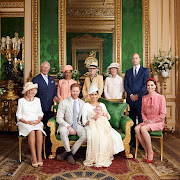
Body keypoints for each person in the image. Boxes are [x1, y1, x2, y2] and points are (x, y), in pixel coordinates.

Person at [82, 83, 124, 167]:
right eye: (92, 95)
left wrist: (104, 116)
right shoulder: (86, 105)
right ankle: (95, 157)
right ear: (89, 95)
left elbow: (108, 117)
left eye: (95, 94)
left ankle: (106, 155)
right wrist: (94, 120)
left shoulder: (102, 105)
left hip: (103, 124)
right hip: (91, 125)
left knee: (112, 134)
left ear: (98, 95)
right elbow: (84, 121)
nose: (94, 96)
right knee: (96, 135)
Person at [135, 77, 166, 163]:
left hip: (158, 122)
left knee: (143, 128)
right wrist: (145, 120)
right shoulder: (144, 98)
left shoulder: (161, 97)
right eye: (148, 85)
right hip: (147, 122)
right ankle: (146, 151)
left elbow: (163, 114)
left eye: (152, 85)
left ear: (155, 86)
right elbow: (143, 112)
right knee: (137, 128)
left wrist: (152, 121)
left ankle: (150, 152)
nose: (150, 87)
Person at [16, 82, 46, 167]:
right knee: (32, 131)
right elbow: (18, 115)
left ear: (34, 91)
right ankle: (34, 157)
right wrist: (26, 122)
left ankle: (39, 156)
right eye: (28, 90)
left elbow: (40, 113)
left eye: (31, 90)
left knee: (39, 131)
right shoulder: (21, 101)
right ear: (25, 91)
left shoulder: (37, 100)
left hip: (36, 122)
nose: (30, 91)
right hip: (24, 122)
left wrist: (38, 120)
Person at [56, 83, 86, 165]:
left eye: (77, 91)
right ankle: (69, 154)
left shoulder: (82, 103)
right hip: (66, 124)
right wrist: (68, 127)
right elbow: (58, 118)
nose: (75, 93)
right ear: (70, 91)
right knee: (62, 131)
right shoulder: (64, 102)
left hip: (78, 124)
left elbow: (84, 117)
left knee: (85, 135)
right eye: (73, 91)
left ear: (79, 91)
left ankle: (68, 153)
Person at [124, 53, 150, 148]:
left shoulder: (145, 70)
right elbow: (125, 85)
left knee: (141, 119)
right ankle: (132, 142)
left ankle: (142, 143)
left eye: (136, 58)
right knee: (131, 121)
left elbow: (145, 85)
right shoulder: (128, 72)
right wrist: (131, 95)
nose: (134, 60)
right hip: (130, 100)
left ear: (139, 59)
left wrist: (137, 95)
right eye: (133, 58)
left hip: (140, 100)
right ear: (132, 60)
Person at [33, 61, 59, 144]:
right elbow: (34, 93)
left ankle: (48, 144)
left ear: (49, 69)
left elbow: (54, 90)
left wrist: (55, 96)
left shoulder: (52, 79)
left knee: (49, 126)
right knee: (40, 126)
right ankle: (40, 144)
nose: (45, 69)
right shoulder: (36, 79)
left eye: (47, 67)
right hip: (40, 107)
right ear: (41, 68)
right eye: (44, 67)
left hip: (50, 106)